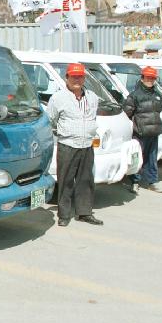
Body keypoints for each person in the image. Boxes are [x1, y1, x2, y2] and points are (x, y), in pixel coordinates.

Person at [47, 63, 102, 227]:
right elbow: (51, 120)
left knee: (86, 180)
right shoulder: (58, 98)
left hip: (87, 144)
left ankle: (84, 212)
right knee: (66, 181)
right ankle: (64, 215)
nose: (77, 80)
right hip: (68, 145)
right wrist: (64, 133)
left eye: (80, 76)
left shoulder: (92, 97)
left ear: (84, 78)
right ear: (66, 78)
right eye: (73, 76)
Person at [122, 66, 162, 193]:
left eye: (152, 78)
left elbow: (158, 111)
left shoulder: (157, 95)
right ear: (142, 78)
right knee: (137, 159)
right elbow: (127, 114)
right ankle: (135, 182)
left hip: (154, 132)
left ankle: (152, 182)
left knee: (152, 159)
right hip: (140, 133)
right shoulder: (134, 96)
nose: (150, 80)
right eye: (148, 77)